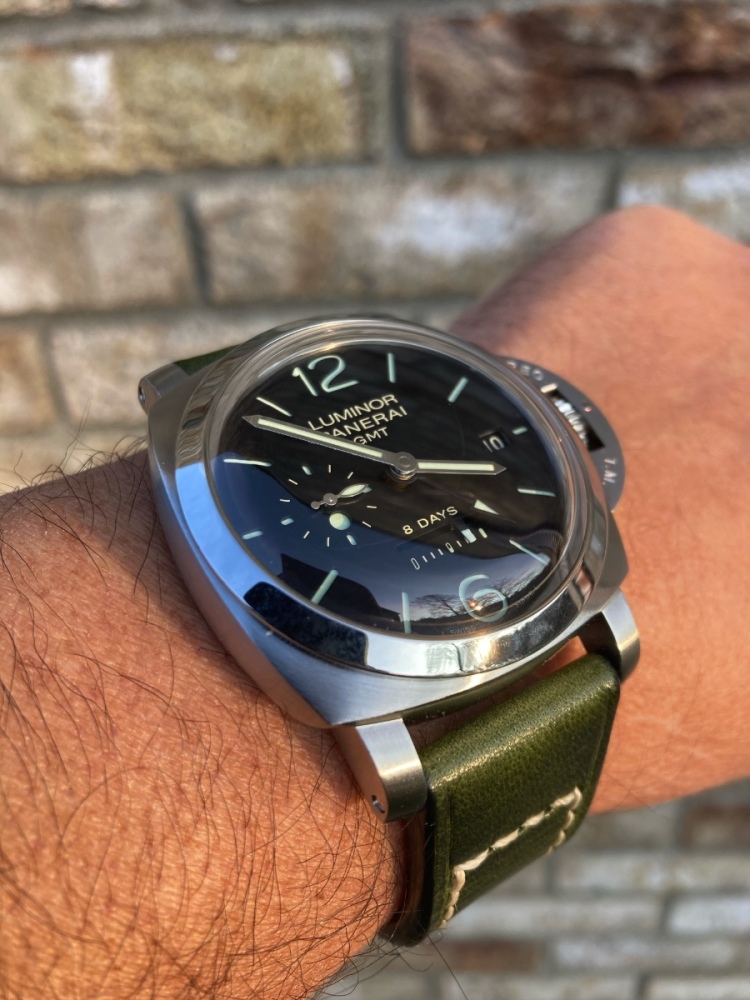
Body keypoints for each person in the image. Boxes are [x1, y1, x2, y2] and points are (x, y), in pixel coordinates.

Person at [1, 205, 748, 1000]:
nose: (400, 469)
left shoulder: (586, 585)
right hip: (394, 689)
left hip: (536, 598)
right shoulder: (369, 715)